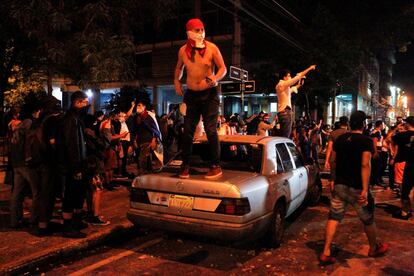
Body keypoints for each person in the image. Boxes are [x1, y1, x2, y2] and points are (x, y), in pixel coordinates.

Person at [319, 111, 389, 264]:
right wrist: (364, 188)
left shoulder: (340, 139)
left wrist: (333, 179)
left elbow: (333, 160)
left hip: (340, 186)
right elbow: (365, 164)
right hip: (357, 187)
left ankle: (325, 251)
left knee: (334, 217)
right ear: (363, 124)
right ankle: (373, 248)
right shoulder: (366, 141)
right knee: (368, 219)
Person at [174, 18, 227, 179]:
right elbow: (178, 67)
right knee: (188, 130)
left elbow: (223, 68)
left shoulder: (212, 48)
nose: (201, 33)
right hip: (191, 94)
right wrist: (176, 81)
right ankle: (185, 165)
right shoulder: (183, 50)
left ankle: (215, 165)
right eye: (197, 30)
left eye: (202, 29)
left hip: (209, 94)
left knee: (211, 130)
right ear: (189, 32)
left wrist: (216, 78)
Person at [55, 91, 89, 238]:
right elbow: (71, 144)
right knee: (70, 195)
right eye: (85, 102)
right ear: (78, 102)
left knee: (78, 194)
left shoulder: (76, 118)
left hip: (78, 163)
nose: (87, 105)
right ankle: (68, 227)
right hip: (72, 165)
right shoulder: (70, 119)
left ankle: (75, 222)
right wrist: (75, 167)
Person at [276, 65, 316, 138]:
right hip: (285, 112)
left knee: (284, 134)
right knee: (285, 136)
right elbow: (297, 76)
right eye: (289, 76)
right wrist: (309, 68)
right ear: (284, 77)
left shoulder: (282, 86)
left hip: (283, 112)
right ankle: (283, 149)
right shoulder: (282, 84)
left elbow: (291, 90)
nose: (290, 77)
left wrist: (299, 85)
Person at [391, 116, 414, 220]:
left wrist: (396, 129)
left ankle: (405, 212)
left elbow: (390, 138)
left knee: (406, 189)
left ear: (408, 124)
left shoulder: (402, 135)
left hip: (409, 164)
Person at [133, 100, 163, 175]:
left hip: (147, 140)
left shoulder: (148, 116)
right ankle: (148, 174)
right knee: (147, 158)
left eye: (139, 105)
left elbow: (154, 129)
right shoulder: (139, 116)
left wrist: (154, 139)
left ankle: (142, 175)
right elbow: (138, 129)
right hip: (141, 140)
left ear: (144, 107)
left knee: (142, 158)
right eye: (137, 106)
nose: (137, 107)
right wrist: (135, 140)